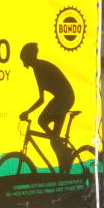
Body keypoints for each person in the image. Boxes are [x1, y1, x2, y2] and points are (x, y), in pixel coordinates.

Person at [19, 42, 75, 173]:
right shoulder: (39, 67)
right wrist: (28, 111)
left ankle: (64, 150)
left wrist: (27, 112)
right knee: (54, 141)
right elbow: (42, 99)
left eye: (24, 59)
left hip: (64, 98)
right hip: (63, 98)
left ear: (29, 57)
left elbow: (41, 100)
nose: (23, 63)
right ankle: (64, 167)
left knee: (42, 121)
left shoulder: (40, 68)